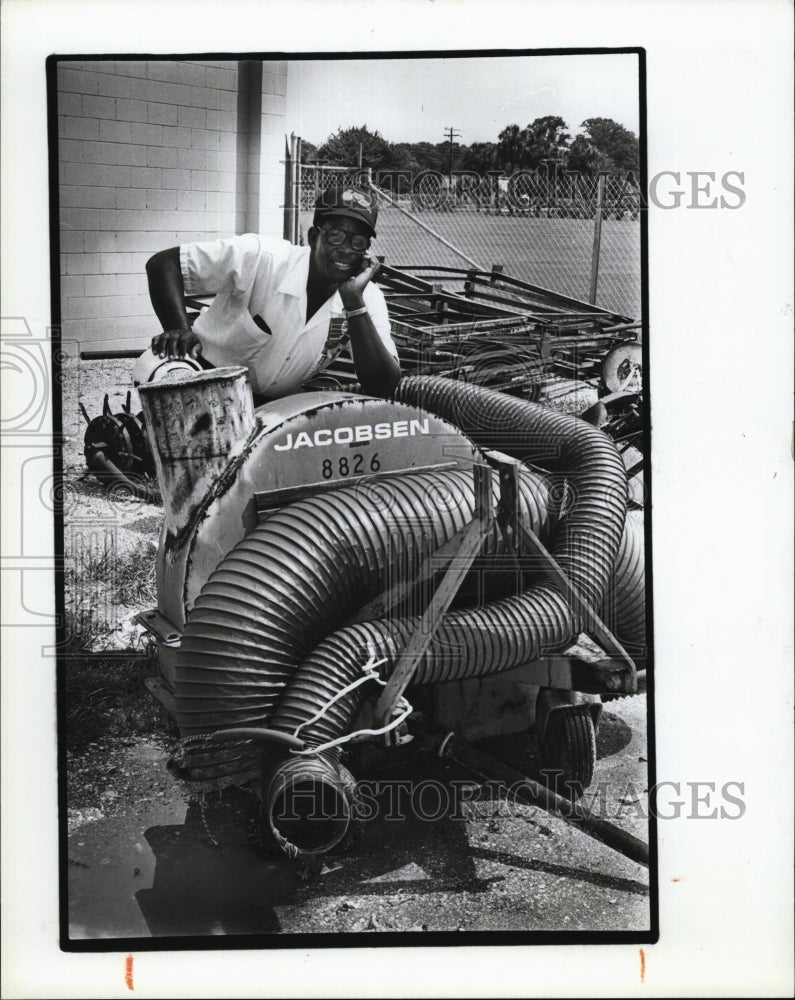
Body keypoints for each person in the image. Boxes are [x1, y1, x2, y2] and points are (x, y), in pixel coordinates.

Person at [144, 187, 400, 399]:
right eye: (336, 236)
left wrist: (354, 302)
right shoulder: (262, 256)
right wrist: (179, 329)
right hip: (201, 381)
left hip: (272, 409)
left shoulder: (366, 297)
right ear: (314, 237)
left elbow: (383, 385)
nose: (346, 249)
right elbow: (164, 264)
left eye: (358, 242)